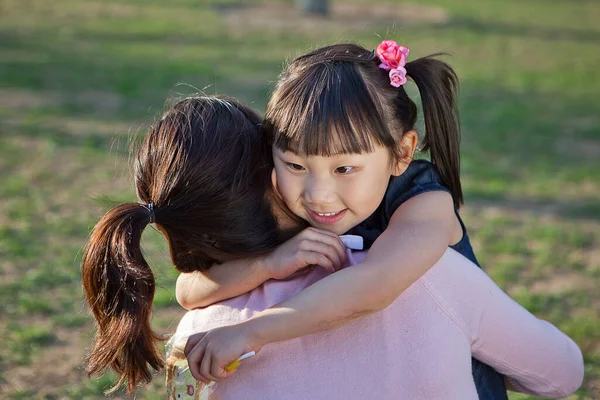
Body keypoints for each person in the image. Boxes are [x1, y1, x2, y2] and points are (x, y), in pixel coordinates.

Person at [178, 40, 506, 399]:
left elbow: (373, 285)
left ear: (403, 152)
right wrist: (268, 263)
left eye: (345, 168)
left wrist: (250, 331)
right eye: (296, 165)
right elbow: (189, 290)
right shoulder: (289, 200)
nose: (319, 194)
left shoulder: (424, 203)